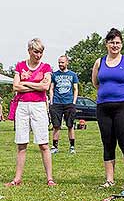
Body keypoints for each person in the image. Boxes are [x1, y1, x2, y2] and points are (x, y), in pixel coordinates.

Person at [91, 28, 124, 189]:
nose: (115, 45)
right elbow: (95, 83)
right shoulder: (100, 62)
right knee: (108, 142)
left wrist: (122, 92)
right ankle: (109, 179)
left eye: (117, 42)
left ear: (121, 44)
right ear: (106, 44)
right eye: (112, 42)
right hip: (103, 107)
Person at [5, 38, 56, 187]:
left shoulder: (46, 67)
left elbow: (45, 87)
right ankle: (17, 178)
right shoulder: (20, 65)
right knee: (21, 144)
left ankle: (50, 178)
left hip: (39, 106)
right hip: (22, 106)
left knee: (44, 144)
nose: (38, 55)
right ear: (29, 51)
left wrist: (25, 83)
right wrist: (36, 85)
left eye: (41, 52)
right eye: (36, 52)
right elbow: (16, 86)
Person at [49, 55, 79, 154]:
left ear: (67, 63)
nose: (60, 64)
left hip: (69, 103)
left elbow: (75, 89)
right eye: (59, 62)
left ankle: (72, 147)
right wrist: (52, 102)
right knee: (56, 126)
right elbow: (51, 89)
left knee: (70, 125)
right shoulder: (54, 75)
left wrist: (74, 102)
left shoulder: (73, 75)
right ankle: (54, 146)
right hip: (57, 103)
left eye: (62, 62)